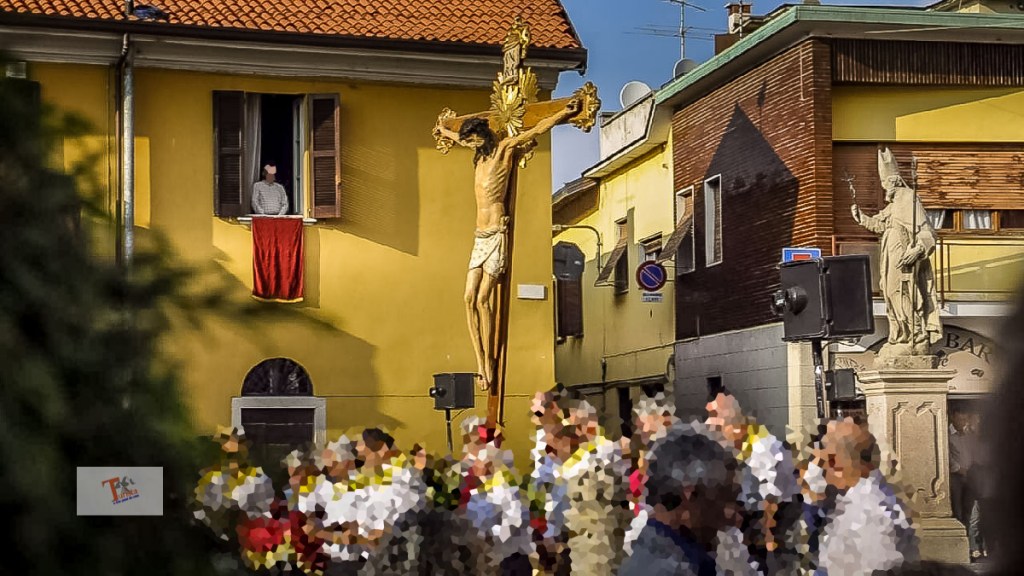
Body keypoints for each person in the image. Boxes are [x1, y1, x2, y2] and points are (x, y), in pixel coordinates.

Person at [433, 99, 581, 390]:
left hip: (496, 234)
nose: (470, 145)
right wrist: (443, 129)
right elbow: (457, 138)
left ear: (482, 136)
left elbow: (536, 129)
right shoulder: (478, 154)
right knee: (467, 299)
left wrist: (564, 112)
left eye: (472, 139)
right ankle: (479, 362)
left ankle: (489, 361)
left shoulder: (504, 150)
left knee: (483, 299)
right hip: (479, 235)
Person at [850, 147, 941, 358]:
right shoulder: (893, 206)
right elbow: (879, 225)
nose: (884, 189)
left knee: (903, 295)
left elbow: (927, 232)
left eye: (885, 184)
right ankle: (900, 336)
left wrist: (917, 250)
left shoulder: (909, 198)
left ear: (895, 181)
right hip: (889, 260)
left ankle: (916, 337)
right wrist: (860, 217)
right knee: (891, 295)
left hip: (904, 260)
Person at [620, 424, 742, 576]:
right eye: (723, 498)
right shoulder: (673, 567)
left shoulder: (654, 550)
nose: (734, 515)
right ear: (690, 496)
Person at [705, 391, 801, 575]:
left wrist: (767, 536)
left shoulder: (762, 446)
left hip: (778, 515)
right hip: (752, 513)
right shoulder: (736, 446)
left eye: (714, 418)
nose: (709, 425)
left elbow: (770, 499)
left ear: (733, 426)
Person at [815, 418, 919, 575]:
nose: (821, 466)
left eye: (824, 459)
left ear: (835, 462)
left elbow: (872, 569)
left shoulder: (868, 511)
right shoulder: (867, 498)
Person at [459, 444, 534, 575]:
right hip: (492, 557)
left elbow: (513, 522)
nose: (471, 467)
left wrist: (488, 535)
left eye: (475, 462)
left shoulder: (503, 489)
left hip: (507, 559)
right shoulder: (478, 492)